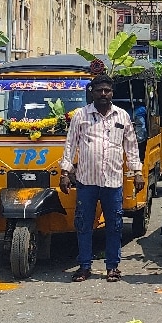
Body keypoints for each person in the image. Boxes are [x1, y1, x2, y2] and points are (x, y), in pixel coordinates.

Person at [59, 74, 144, 283]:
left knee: (114, 225)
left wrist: (138, 172)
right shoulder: (81, 115)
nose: (103, 94)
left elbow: (131, 147)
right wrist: (64, 172)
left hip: (113, 182)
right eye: (99, 90)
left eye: (107, 90)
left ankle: (112, 267)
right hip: (86, 181)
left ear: (112, 92)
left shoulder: (122, 116)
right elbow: (70, 145)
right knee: (84, 224)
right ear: (92, 92)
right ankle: (84, 266)